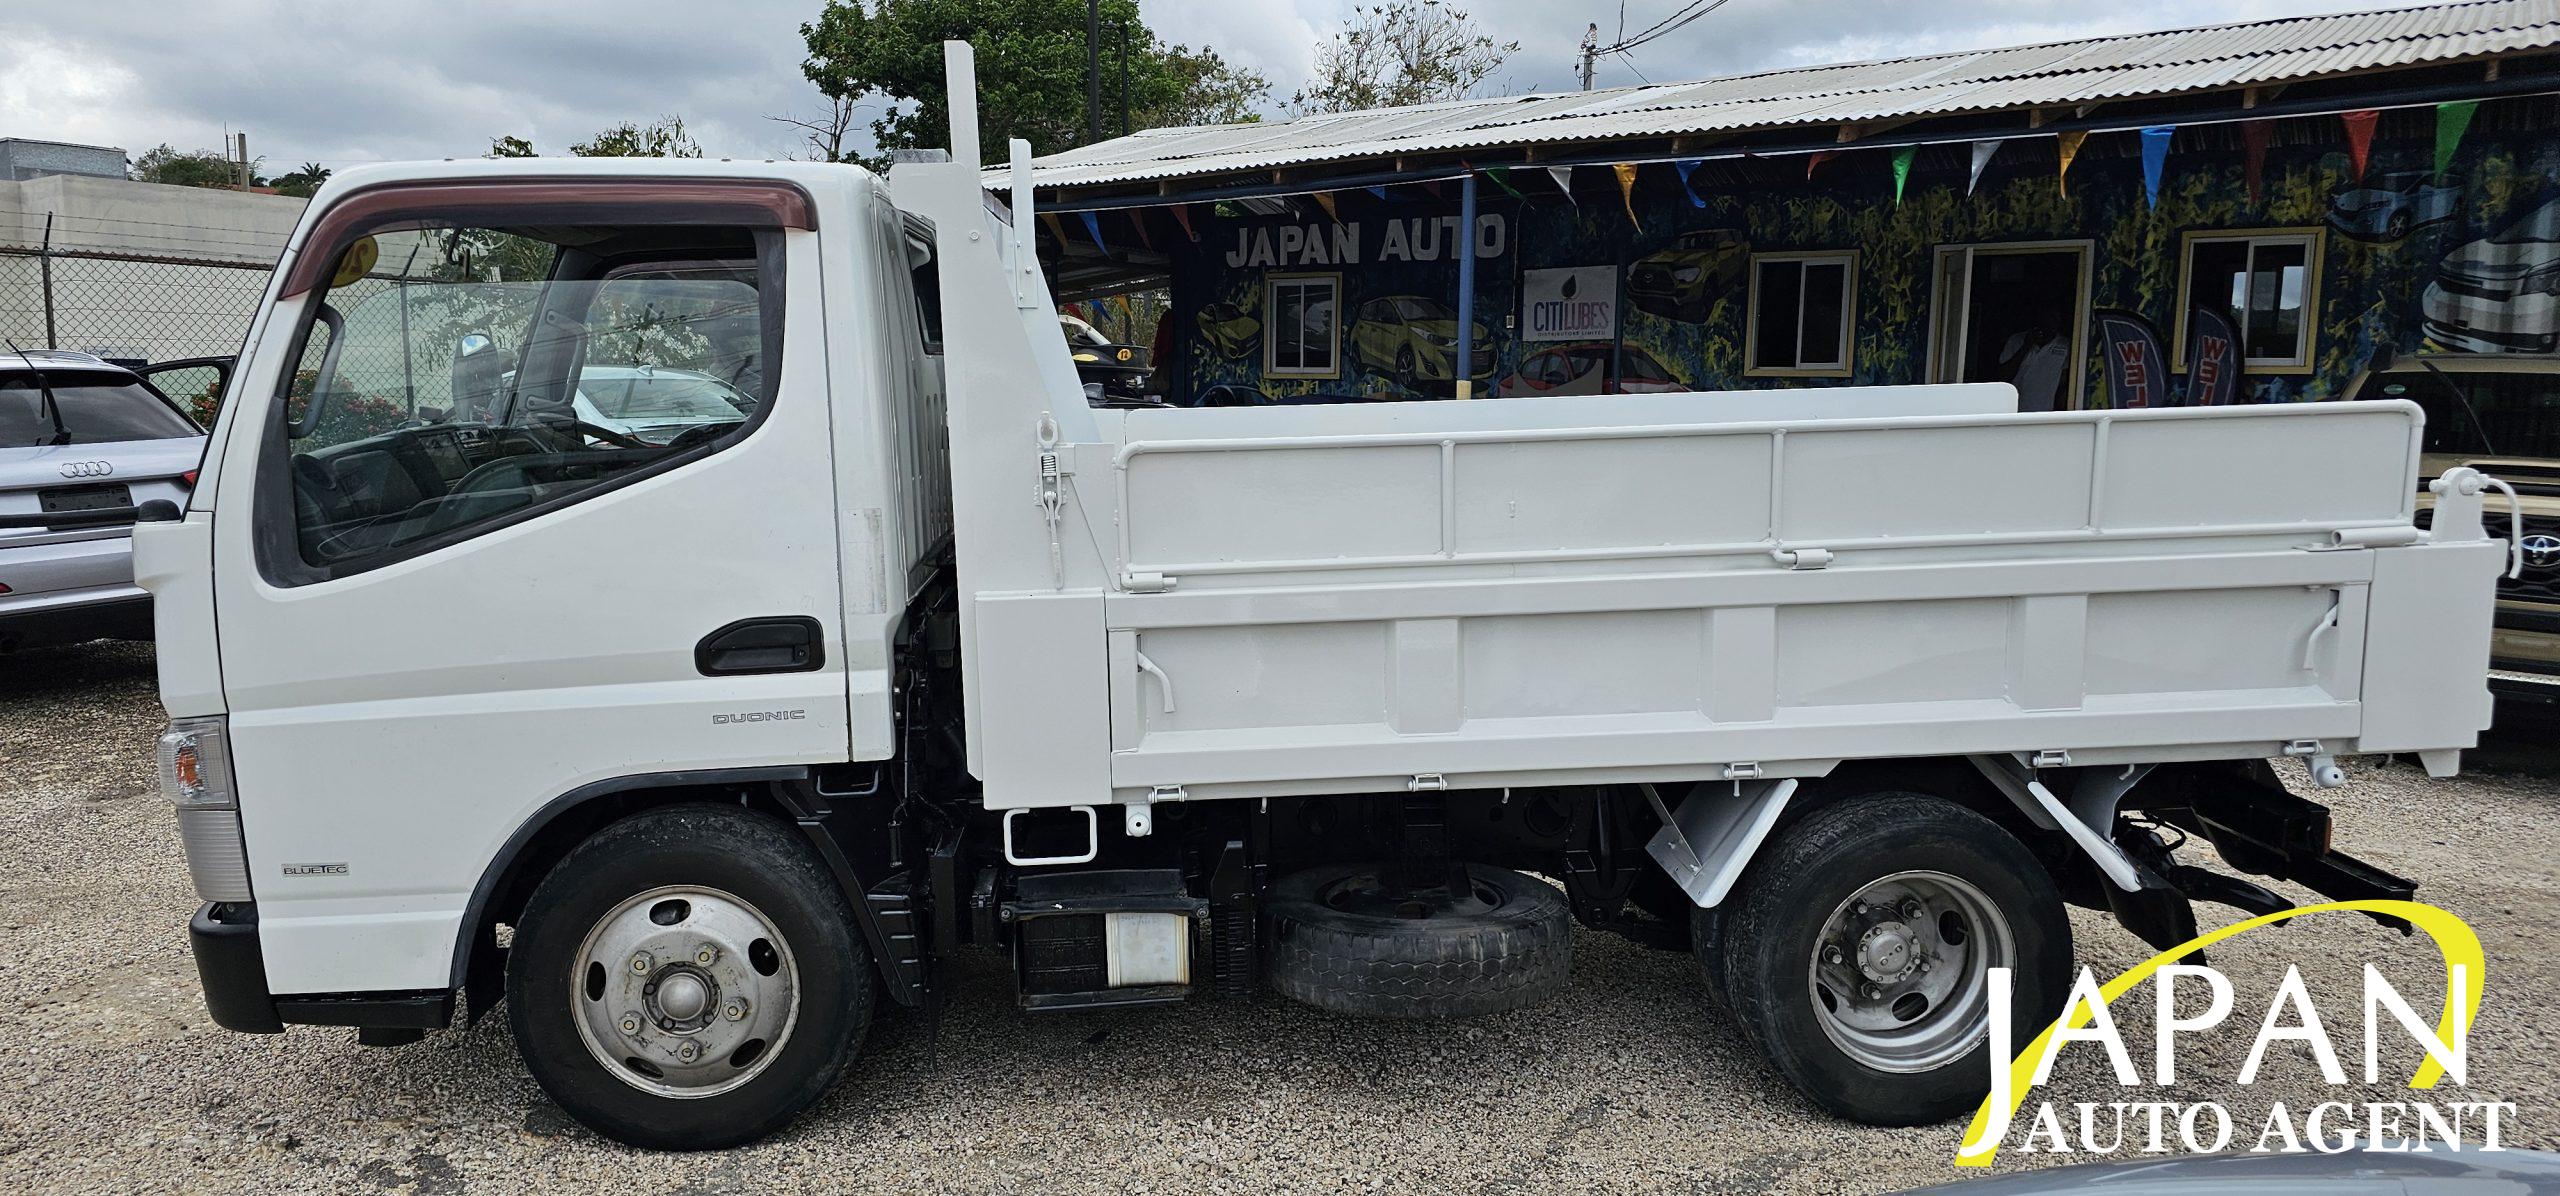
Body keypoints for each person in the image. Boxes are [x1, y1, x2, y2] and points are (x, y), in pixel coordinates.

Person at [1997, 321, 2071, 412]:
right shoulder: (2016, 340)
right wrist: (2026, 346)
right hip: (2014, 411)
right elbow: (2003, 377)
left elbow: (2064, 384)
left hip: (2046, 413)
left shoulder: (2065, 345)